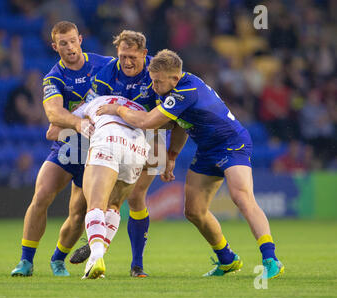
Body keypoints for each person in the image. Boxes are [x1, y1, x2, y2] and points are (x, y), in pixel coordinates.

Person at [98, 49, 285, 280]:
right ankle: (227, 259)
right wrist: (172, 156)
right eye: (152, 80)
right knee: (194, 211)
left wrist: (116, 109)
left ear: (174, 79)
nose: (154, 86)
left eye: (158, 82)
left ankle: (271, 259)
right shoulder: (174, 89)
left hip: (232, 143)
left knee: (242, 197)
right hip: (207, 150)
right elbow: (179, 126)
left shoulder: (186, 91)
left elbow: (147, 122)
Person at [10, 21, 113, 277]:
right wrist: (78, 123)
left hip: (95, 151)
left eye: (72, 41)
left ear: (81, 38)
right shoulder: (54, 77)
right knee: (42, 195)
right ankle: (26, 261)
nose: (69, 47)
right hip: (67, 147)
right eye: (63, 44)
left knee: (78, 214)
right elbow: (53, 112)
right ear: (55, 46)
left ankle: (57, 260)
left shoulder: (105, 64)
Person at [70, 30, 161, 278]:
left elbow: (169, 116)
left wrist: (169, 155)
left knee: (135, 198)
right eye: (123, 56)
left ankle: (134, 263)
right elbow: (89, 105)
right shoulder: (108, 73)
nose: (128, 62)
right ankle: (99, 247)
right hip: (130, 139)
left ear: (145, 54)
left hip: (153, 135)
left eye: (133, 57)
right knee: (115, 201)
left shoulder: (157, 72)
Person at [47, 95, 150, 279]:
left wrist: (79, 123)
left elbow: (53, 132)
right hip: (138, 148)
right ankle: (98, 251)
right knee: (114, 207)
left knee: (95, 205)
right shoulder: (138, 106)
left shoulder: (92, 102)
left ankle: (95, 257)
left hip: (108, 139)